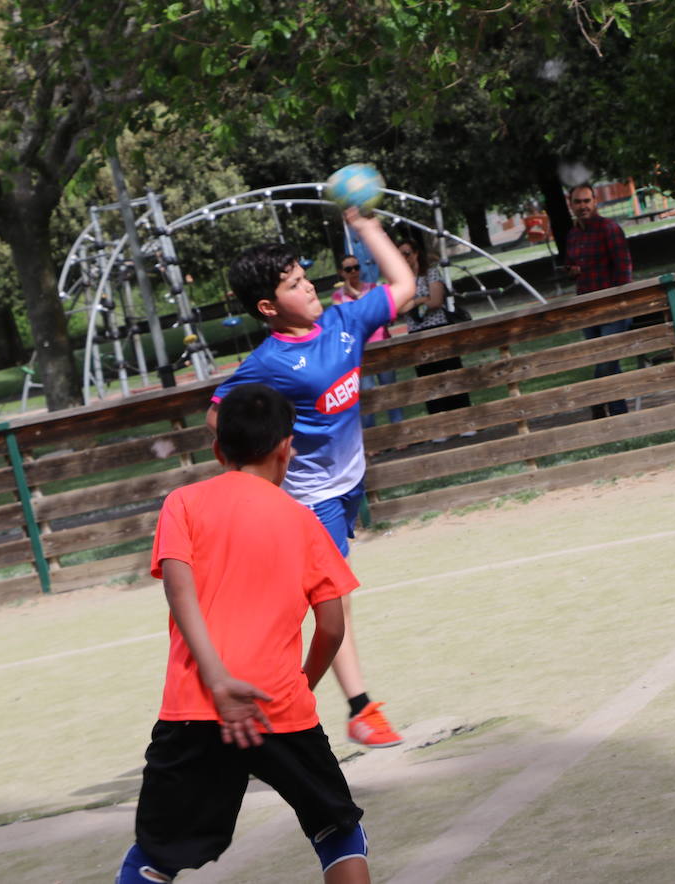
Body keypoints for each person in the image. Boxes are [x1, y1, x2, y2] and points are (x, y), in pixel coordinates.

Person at [116, 384, 370, 884]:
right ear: (285, 448)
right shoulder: (303, 521)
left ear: (217, 450)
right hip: (278, 705)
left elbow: (179, 592)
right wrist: (301, 684)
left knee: (155, 856)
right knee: (338, 832)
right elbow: (333, 625)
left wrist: (217, 681)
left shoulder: (183, 503)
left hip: (194, 707)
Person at [205, 208, 413, 748]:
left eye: (306, 277)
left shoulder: (346, 323)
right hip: (309, 498)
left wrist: (367, 228)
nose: (311, 288)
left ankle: (269, 697)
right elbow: (218, 416)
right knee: (334, 603)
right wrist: (251, 477)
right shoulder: (267, 362)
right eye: (296, 285)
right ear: (269, 307)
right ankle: (357, 708)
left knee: (314, 604)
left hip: (349, 486)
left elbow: (405, 284)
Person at [392, 225, 474, 439]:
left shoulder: (430, 273)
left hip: (438, 330)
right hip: (416, 335)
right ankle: (439, 427)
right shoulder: (398, 282)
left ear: (416, 253)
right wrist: (420, 301)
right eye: (399, 255)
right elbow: (397, 308)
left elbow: (436, 301)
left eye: (407, 253)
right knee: (428, 381)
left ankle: (464, 422)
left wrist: (414, 301)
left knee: (451, 375)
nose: (404, 258)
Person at [564, 183, 633, 418]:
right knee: (604, 359)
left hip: (612, 306)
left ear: (595, 201)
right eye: (577, 202)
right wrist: (572, 270)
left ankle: (594, 398)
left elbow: (624, 271)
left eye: (586, 201)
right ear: (570, 204)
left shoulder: (609, 229)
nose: (582, 206)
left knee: (607, 358)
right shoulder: (573, 234)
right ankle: (617, 412)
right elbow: (571, 265)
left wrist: (621, 302)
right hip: (586, 306)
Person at [333, 253, 403, 429]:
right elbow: (343, 323)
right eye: (349, 269)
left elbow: (376, 313)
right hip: (359, 351)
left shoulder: (372, 288)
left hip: (382, 345)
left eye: (356, 267)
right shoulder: (338, 297)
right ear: (342, 273)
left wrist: (356, 296)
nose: (354, 272)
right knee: (366, 395)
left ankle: (400, 433)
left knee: (390, 392)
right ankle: (373, 440)